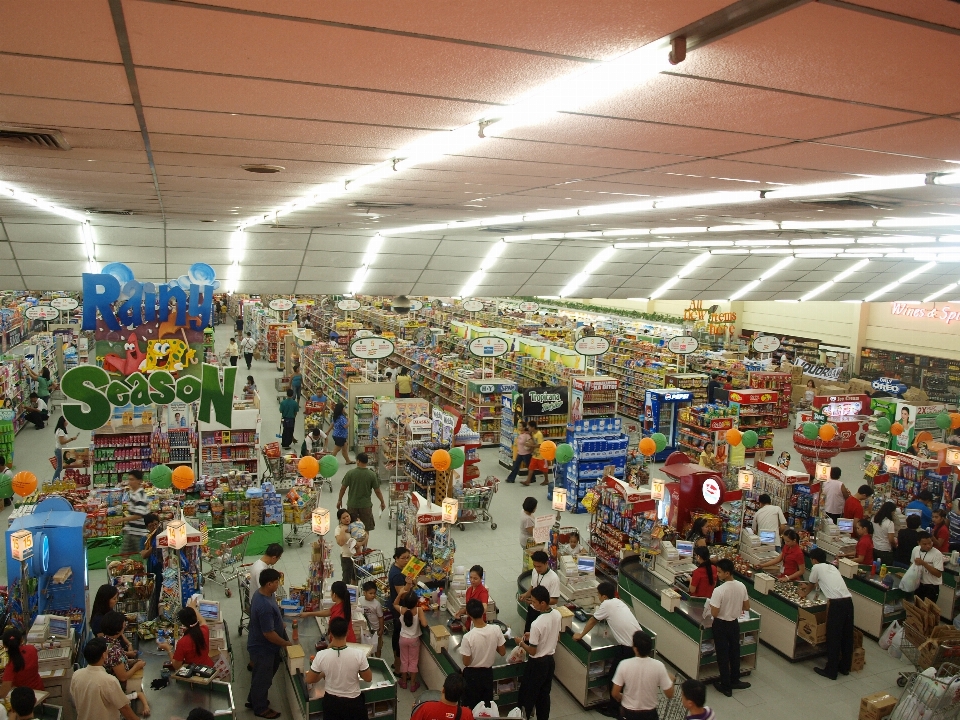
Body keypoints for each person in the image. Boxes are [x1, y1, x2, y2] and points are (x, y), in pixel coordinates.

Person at [572, 581, 643, 718]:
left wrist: (580, 635)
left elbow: (593, 620)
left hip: (628, 649)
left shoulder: (606, 604)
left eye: (598, 595)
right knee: (628, 678)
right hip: (639, 644)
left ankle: (615, 710)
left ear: (604, 596)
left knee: (615, 678)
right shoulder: (619, 602)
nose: (598, 598)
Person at [802, 548, 854, 680]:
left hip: (837, 606)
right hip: (848, 602)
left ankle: (831, 671)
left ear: (814, 560)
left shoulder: (816, 567)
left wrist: (803, 594)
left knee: (834, 637)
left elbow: (811, 585)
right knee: (846, 636)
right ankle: (844, 667)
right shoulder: (832, 567)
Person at [305, 617, 371, 720]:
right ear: (348, 632)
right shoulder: (358, 655)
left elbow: (309, 679)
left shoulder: (321, 655)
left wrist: (323, 673)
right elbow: (368, 678)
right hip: (354, 703)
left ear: (330, 633)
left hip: (332, 703)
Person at [247, 568, 292, 718]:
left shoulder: (264, 594)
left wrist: (280, 623)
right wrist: (286, 643)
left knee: (260, 675)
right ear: (268, 584)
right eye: (276, 582)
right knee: (263, 679)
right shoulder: (264, 606)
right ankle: (260, 708)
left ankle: (253, 699)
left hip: (263, 645)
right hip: (263, 648)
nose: (278, 584)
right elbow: (269, 634)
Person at [517, 586, 560, 720]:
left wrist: (521, 642)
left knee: (528, 694)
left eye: (534, 602)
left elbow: (532, 650)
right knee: (544, 694)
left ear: (543, 603)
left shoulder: (537, 623)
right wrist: (534, 636)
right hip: (550, 662)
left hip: (536, 664)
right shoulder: (557, 615)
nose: (532, 604)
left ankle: (525, 716)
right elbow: (556, 636)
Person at [708, 559, 750, 697]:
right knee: (734, 651)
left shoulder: (719, 590)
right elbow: (746, 607)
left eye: (719, 572)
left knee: (722, 655)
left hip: (720, 624)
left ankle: (725, 686)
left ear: (727, 573)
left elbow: (714, 613)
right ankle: (735, 679)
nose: (717, 574)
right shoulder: (741, 586)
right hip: (734, 623)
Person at [611, 630, 674, 720]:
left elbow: (615, 693)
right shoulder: (659, 666)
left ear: (635, 648)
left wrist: (623, 697)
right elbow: (670, 694)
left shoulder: (624, 664)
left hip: (628, 713)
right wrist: (671, 680)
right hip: (650, 715)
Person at [71, 638, 139, 720]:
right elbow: (124, 708)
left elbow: (75, 700)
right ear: (104, 655)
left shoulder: (76, 675)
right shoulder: (109, 681)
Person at [459, 598, 505, 711]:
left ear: (469, 614)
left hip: (472, 676)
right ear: (483, 612)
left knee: (471, 707)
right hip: (487, 674)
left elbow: (466, 662)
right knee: (485, 708)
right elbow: (502, 652)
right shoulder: (496, 629)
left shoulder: (468, 637)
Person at [100, 611, 150, 716]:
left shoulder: (105, 640)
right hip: (118, 686)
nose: (125, 625)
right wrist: (136, 666)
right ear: (118, 630)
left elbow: (119, 661)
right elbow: (123, 677)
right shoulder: (114, 651)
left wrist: (130, 659)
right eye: (123, 625)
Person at [337, 453, 385, 532]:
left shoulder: (350, 473)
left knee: (351, 527)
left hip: (352, 504)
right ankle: (364, 544)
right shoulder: (372, 475)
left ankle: (354, 544)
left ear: (358, 461)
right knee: (366, 528)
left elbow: (343, 488)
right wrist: (382, 502)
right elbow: (377, 491)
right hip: (365, 506)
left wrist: (339, 500)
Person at [157, 603, 213, 669]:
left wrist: (168, 649)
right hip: (208, 667)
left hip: (194, 673)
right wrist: (193, 607)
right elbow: (202, 620)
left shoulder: (182, 643)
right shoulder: (204, 630)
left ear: (183, 624)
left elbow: (177, 666)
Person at [388, 547, 415, 674]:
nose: (406, 560)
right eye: (403, 558)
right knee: (399, 636)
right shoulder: (397, 575)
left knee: (396, 635)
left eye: (408, 557)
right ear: (396, 558)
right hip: (399, 609)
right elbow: (402, 594)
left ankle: (396, 663)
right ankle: (399, 668)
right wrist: (409, 584)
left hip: (396, 606)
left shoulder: (398, 569)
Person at [520, 550, 560, 634]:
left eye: (539, 566)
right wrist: (526, 594)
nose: (537, 569)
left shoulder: (554, 579)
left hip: (544, 612)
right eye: (535, 566)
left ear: (546, 563)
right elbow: (533, 586)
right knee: (528, 631)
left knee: (539, 636)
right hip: (532, 608)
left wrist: (538, 602)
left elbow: (554, 600)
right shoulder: (535, 571)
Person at [394, 590, 425, 692]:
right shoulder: (418, 610)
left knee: (404, 660)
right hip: (414, 640)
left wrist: (399, 594)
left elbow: (394, 604)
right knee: (413, 661)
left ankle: (403, 682)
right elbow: (424, 624)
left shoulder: (402, 609)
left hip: (402, 639)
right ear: (416, 602)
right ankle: (412, 684)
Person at [0, 629, 43, 696]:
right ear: (22, 640)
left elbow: (3, 694)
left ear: (4, 646)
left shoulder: (11, 666)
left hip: (23, 699)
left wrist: (6, 677)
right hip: (40, 693)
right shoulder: (32, 649)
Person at [139, 513, 164, 618]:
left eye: (155, 524)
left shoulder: (164, 535)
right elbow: (143, 555)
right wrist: (154, 546)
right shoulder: (145, 539)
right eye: (151, 526)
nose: (154, 527)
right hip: (153, 570)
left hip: (164, 568)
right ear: (146, 527)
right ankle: (154, 616)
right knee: (154, 593)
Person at [120, 470, 151, 554]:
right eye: (129, 479)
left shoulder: (140, 495)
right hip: (131, 531)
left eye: (132, 479)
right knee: (124, 555)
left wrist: (119, 520)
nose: (130, 482)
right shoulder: (132, 493)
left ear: (139, 481)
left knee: (140, 557)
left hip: (139, 534)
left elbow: (138, 515)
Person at [911, 531, 944, 603]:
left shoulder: (937, 554)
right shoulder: (915, 550)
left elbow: (938, 574)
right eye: (924, 544)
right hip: (919, 585)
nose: (928, 546)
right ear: (918, 543)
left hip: (931, 587)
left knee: (928, 611)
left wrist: (924, 564)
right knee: (917, 608)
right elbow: (912, 564)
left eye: (930, 543)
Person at [454, 565, 489, 630]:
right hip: (469, 623)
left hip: (479, 625)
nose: (472, 580)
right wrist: (461, 612)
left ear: (481, 578)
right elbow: (470, 607)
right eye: (470, 577)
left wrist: (475, 614)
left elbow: (484, 608)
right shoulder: (469, 590)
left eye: (475, 578)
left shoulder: (483, 592)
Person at [359, 581, 384, 657]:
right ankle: (371, 660)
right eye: (370, 593)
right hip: (366, 629)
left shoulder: (377, 604)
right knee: (368, 647)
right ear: (364, 593)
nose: (373, 595)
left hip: (376, 630)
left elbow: (381, 617)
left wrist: (381, 629)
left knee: (377, 647)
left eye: (374, 593)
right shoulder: (360, 600)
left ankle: (378, 659)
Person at [335, 509, 359, 584]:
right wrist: (343, 530)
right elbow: (340, 543)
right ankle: (345, 593)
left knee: (356, 577)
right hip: (346, 557)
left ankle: (354, 592)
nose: (347, 519)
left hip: (358, 556)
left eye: (347, 516)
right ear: (340, 519)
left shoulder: (355, 525)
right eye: (344, 518)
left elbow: (366, 535)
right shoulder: (338, 529)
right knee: (346, 578)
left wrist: (360, 544)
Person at [52, 416, 78, 483]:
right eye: (66, 421)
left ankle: (70, 478)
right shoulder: (60, 431)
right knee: (60, 467)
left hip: (63, 450)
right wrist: (71, 439)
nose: (67, 422)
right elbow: (62, 442)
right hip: (60, 450)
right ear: (63, 422)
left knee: (69, 465)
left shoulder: (60, 429)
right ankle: (54, 481)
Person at [523, 421, 550, 487]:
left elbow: (540, 445)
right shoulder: (532, 433)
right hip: (535, 454)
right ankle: (528, 481)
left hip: (541, 454)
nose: (528, 428)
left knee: (544, 468)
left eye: (529, 427)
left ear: (533, 427)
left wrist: (530, 446)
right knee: (531, 467)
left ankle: (546, 480)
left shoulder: (539, 434)